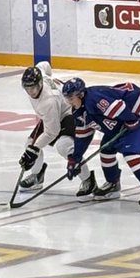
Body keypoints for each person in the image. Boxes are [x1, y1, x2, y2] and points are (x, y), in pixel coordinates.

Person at [62, 77, 140, 210]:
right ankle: (113, 184)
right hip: (121, 120)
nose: (69, 102)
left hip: (138, 113)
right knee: (106, 151)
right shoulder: (78, 111)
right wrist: (75, 158)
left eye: (71, 98)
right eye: (67, 98)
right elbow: (83, 136)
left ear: (80, 95)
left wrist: (130, 119)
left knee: (131, 154)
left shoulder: (95, 99)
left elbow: (119, 107)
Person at [18, 62, 97, 200]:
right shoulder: (40, 74)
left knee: (64, 146)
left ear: (40, 83)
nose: (31, 92)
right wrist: (33, 148)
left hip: (69, 113)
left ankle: (88, 180)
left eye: (34, 88)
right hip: (54, 113)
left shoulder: (48, 101)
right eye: (28, 88)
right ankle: (37, 176)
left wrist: (34, 150)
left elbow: (52, 132)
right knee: (30, 143)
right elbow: (44, 65)